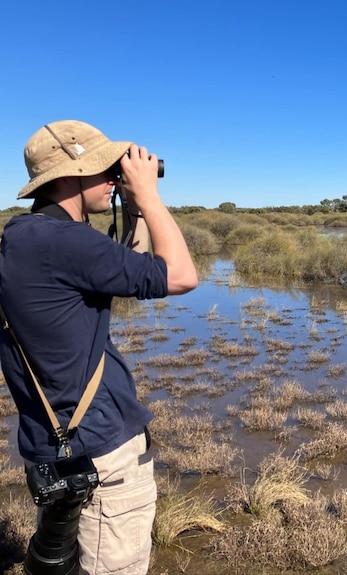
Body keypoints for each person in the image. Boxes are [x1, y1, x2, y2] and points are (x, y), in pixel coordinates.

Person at [0, 120, 198, 574]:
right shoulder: (66, 242)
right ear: (69, 174)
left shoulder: (25, 236)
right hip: (101, 451)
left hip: (58, 442)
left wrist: (133, 211)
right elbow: (182, 276)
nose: (115, 177)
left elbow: (132, 266)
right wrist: (148, 194)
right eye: (105, 169)